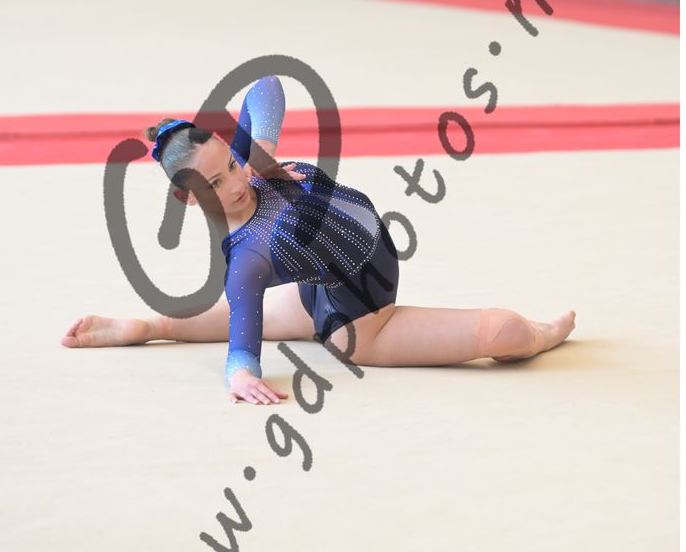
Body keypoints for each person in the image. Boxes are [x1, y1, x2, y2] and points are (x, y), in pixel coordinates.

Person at [62, 75, 576, 405]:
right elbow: (244, 333)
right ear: (189, 198)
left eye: (232, 165)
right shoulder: (247, 258)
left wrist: (260, 155)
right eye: (215, 184)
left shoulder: (253, 167)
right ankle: (541, 334)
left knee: (240, 312)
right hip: (361, 322)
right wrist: (241, 375)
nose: (236, 184)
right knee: (507, 333)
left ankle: (148, 325)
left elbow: (266, 85)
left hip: (315, 292)